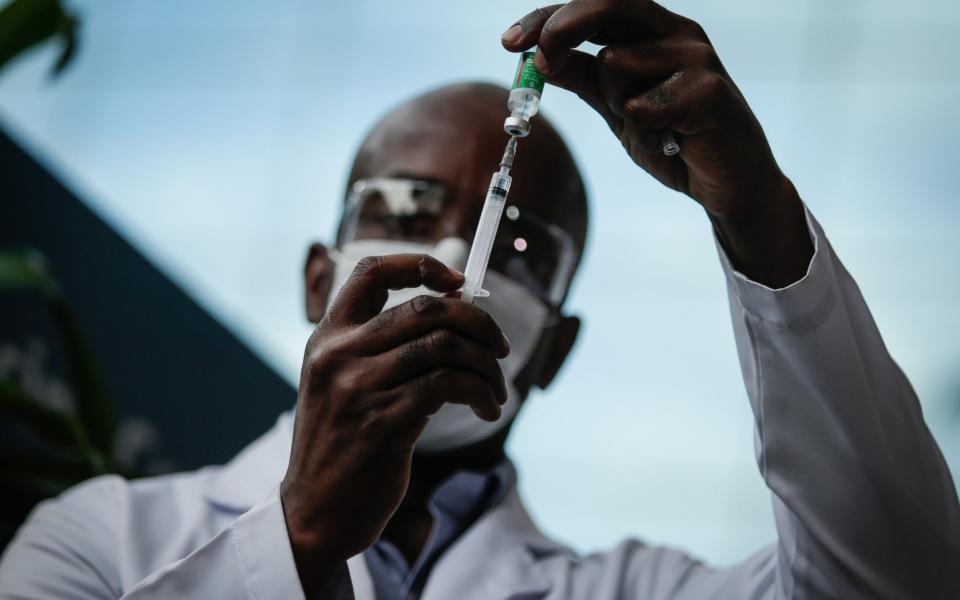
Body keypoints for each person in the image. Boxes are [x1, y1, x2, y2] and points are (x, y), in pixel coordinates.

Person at [2, 1, 959, 598]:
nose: (459, 252)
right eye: (410, 207)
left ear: (552, 349)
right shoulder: (99, 541)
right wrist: (297, 540)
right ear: (315, 278)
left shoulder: (635, 589)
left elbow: (898, 580)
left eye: (522, 244)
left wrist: (758, 217)